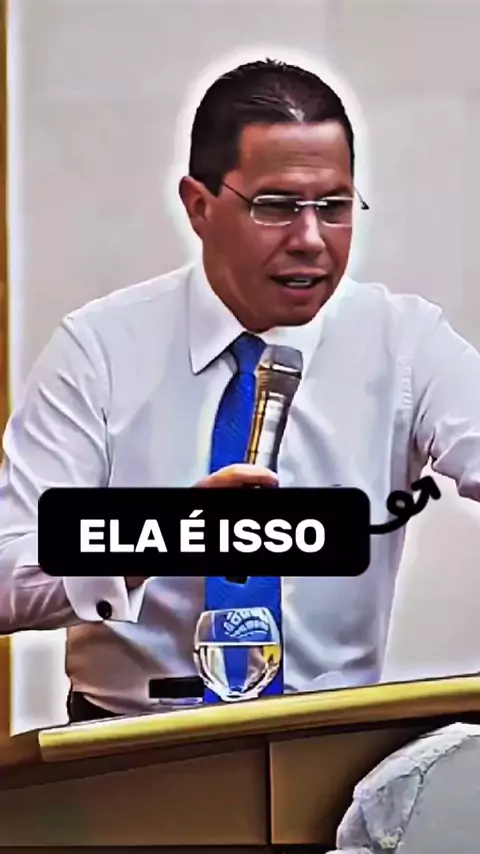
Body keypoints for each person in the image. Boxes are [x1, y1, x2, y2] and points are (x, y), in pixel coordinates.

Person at [1, 58, 480, 722]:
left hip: (327, 749)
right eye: (276, 207)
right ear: (199, 206)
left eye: (334, 207)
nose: (310, 239)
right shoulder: (100, 349)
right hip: (131, 748)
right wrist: (167, 534)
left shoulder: (404, 342)